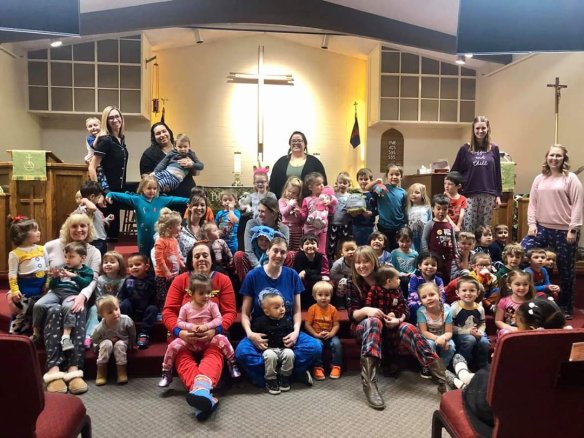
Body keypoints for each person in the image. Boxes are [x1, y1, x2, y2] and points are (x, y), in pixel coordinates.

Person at [346, 247, 447, 409]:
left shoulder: (387, 275)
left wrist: (398, 318)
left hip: (391, 324)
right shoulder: (352, 282)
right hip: (364, 327)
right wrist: (366, 310)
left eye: (366, 261)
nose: (361, 266)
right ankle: (369, 384)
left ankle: (441, 378)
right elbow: (352, 314)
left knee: (408, 328)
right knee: (374, 322)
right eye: (358, 262)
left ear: (373, 261)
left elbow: (405, 308)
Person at [460, 298, 567, 437]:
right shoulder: (568, 353)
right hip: (553, 418)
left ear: (532, 331)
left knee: (485, 374)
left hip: (514, 420)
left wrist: (499, 362)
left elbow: (495, 404)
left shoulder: (515, 358)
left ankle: (464, 381)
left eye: (518, 326)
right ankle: (465, 378)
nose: (515, 329)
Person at [162, 241, 237, 421]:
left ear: (212, 259)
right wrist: (179, 332)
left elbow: (230, 312)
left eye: (205, 255)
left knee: (214, 352)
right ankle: (205, 394)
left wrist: (215, 330)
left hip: (212, 334)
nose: (201, 259)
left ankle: (201, 393)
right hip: (184, 334)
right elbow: (168, 312)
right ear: (190, 260)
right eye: (197, 256)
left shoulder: (223, 280)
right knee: (181, 354)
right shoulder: (180, 280)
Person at [235, 237, 322, 387]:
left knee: (315, 347)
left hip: (286, 330)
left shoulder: (292, 275)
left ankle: (275, 373)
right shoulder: (253, 276)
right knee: (242, 353)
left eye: (283, 252)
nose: (279, 255)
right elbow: (244, 313)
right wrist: (250, 334)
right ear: (268, 251)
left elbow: (296, 311)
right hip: (261, 333)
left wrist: (296, 332)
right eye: (275, 250)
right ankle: (289, 372)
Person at [42, 213, 101, 395]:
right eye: (74, 226)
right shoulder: (50, 246)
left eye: (83, 226)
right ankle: (53, 369)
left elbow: (93, 279)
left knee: (76, 308)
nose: (79, 230)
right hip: (55, 293)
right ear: (68, 228)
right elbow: (41, 274)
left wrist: (82, 296)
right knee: (53, 310)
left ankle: (74, 368)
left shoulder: (94, 252)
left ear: (89, 228)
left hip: (79, 294)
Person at [521, 144, 583, 319]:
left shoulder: (570, 178)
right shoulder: (540, 178)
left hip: (565, 230)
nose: (554, 158)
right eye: (551, 155)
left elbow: (578, 204)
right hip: (542, 228)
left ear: (564, 159)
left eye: (558, 156)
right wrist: (532, 224)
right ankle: (526, 296)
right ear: (546, 157)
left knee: (566, 270)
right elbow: (532, 203)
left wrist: (573, 229)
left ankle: (565, 307)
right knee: (522, 251)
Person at [158, 273, 239, 388]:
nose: (206, 296)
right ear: (191, 294)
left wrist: (209, 327)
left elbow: (219, 319)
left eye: (208, 292)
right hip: (189, 339)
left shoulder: (212, 305)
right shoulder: (186, 308)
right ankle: (166, 371)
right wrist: (188, 328)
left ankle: (232, 362)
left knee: (223, 339)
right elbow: (179, 322)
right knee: (173, 346)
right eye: (201, 293)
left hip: (209, 338)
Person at [106, 175, 189, 257]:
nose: (152, 191)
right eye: (149, 188)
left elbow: (176, 199)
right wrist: (110, 194)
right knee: (143, 256)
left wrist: (190, 201)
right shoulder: (137, 199)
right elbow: (122, 196)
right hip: (143, 236)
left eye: (154, 188)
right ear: (142, 188)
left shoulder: (161, 200)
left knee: (157, 255)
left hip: (158, 236)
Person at [33, 242, 94, 353]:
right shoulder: (62, 268)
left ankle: (66, 337)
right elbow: (53, 286)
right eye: (65, 257)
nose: (67, 260)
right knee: (38, 304)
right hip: (56, 292)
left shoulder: (87, 271)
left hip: (71, 294)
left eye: (71, 257)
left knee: (69, 307)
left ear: (82, 258)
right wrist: (54, 278)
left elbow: (86, 283)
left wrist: (74, 276)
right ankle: (36, 332)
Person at [451, 115, 502, 232]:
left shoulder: (494, 148)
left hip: (489, 194)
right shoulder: (465, 149)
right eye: (477, 128)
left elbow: (497, 173)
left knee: (485, 230)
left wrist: (498, 195)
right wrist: (451, 190)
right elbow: (454, 172)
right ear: (473, 129)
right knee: (469, 228)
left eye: (483, 128)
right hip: (469, 194)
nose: (480, 131)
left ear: (488, 128)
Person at [88, 106, 129, 247]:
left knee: (113, 232)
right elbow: (92, 167)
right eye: (111, 117)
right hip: (107, 192)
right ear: (106, 120)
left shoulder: (120, 140)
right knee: (105, 234)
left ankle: (110, 259)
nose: (115, 120)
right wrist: (99, 193)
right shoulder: (106, 140)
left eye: (117, 116)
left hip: (117, 191)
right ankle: (102, 260)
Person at [7, 216, 49, 336]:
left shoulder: (42, 249)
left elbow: (48, 267)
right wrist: (14, 290)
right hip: (25, 287)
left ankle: (38, 333)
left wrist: (48, 282)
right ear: (23, 234)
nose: (39, 232)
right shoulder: (15, 254)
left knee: (39, 309)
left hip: (40, 286)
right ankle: (17, 334)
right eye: (35, 230)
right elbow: (12, 274)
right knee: (21, 312)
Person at [140, 122, 202, 202]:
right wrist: (157, 187)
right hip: (164, 200)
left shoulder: (183, 147)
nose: (162, 135)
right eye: (158, 133)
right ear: (154, 137)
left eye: (164, 131)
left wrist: (191, 164)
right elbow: (145, 177)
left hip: (187, 195)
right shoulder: (149, 154)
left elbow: (197, 172)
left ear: (169, 132)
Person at [233, 197, 291, 281]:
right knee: (239, 255)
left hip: (275, 262)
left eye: (263, 211)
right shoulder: (252, 223)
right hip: (254, 263)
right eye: (259, 211)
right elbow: (249, 251)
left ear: (273, 213)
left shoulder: (283, 229)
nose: (259, 214)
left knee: (290, 255)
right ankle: (247, 285)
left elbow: (284, 252)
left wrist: (270, 268)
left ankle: (281, 283)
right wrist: (260, 269)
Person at [250, 290, 295, 395]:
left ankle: (285, 377)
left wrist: (291, 341)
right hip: (268, 348)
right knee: (270, 356)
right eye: (277, 307)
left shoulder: (286, 320)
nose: (282, 309)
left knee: (290, 354)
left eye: (282, 305)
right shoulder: (260, 322)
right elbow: (255, 334)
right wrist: (258, 343)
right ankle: (271, 379)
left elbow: (291, 333)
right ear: (267, 312)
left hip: (284, 348)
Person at [269, 130, 328, 199]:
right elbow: (273, 184)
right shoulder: (280, 162)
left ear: (305, 144)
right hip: (284, 203)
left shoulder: (315, 162)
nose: (296, 143)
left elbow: (323, 184)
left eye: (299, 140)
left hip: (309, 203)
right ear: (290, 144)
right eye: (293, 141)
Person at [85, 251, 126, 349]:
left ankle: (117, 334)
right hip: (102, 304)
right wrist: (103, 306)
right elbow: (98, 296)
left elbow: (121, 296)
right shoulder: (100, 280)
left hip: (116, 305)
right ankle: (89, 335)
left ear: (119, 266)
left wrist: (113, 305)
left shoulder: (123, 280)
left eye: (112, 262)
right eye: (105, 262)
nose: (108, 264)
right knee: (93, 309)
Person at [92, 295, 135, 386]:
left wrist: (132, 344)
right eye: (110, 312)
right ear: (102, 315)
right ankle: (101, 373)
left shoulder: (126, 320)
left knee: (119, 345)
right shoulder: (100, 327)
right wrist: (106, 340)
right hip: (106, 343)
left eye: (116, 309)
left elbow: (132, 333)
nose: (115, 313)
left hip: (122, 341)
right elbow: (94, 339)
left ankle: (121, 372)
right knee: (107, 344)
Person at [117, 253, 157, 349]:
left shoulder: (152, 280)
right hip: (132, 310)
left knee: (153, 308)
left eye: (137, 264)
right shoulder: (128, 281)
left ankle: (144, 334)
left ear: (146, 267)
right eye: (131, 266)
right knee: (125, 303)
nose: (134, 267)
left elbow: (156, 297)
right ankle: (125, 331)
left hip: (146, 310)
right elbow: (121, 295)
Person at [304, 281, 342, 380]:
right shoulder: (312, 309)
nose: (323, 298)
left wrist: (332, 333)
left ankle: (336, 366)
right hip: (316, 335)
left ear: (331, 296)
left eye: (327, 295)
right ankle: (318, 367)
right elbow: (307, 325)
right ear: (314, 296)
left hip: (330, 335)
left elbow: (336, 325)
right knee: (316, 345)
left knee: (337, 344)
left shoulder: (333, 309)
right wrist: (315, 334)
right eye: (320, 295)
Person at [450, 276, 489, 370]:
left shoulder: (480, 308)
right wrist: (468, 332)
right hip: (460, 334)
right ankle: (461, 365)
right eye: (464, 290)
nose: (468, 293)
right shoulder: (454, 308)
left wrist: (480, 332)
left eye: (472, 290)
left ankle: (483, 366)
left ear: (477, 293)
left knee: (484, 342)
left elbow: (482, 323)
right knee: (470, 339)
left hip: (477, 332)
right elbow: (450, 327)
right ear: (457, 293)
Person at [416, 282, 456, 374]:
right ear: (421, 301)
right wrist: (437, 338)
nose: (428, 298)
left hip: (443, 335)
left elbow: (449, 332)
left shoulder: (447, 310)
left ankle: (442, 367)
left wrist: (443, 338)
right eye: (424, 297)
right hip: (427, 336)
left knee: (451, 346)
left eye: (432, 294)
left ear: (439, 295)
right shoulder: (421, 311)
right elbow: (423, 332)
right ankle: (428, 366)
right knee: (429, 345)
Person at [366, 164, 407, 251]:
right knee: (384, 249)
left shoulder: (403, 192)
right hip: (384, 226)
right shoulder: (382, 188)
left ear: (401, 176)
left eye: (397, 174)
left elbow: (404, 209)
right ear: (387, 176)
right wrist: (376, 182)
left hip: (399, 227)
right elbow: (367, 188)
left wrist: (405, 224)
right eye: (391, 174)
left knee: (396, 250)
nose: (394, 177)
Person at [153, 208, 185, 310]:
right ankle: (162, 311)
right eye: (178, 225)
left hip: (174, 273)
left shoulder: (174, 239)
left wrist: (181, 264)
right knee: (163, 295)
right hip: (162, 276)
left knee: (174, 292)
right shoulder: (160, 241)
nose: (181, 227)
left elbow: (177, 254)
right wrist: (166, 272)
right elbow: (159, 259)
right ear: (170, 228)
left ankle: (173, 309)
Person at [421, 194, 457, 284]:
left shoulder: (449, 225)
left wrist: (455, 252)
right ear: (433, 209)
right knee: (435, 276)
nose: (441, 212)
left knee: (447, 276)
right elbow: (424, 239)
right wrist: (426, 253)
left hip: (448, 257)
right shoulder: (430, 224)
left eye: (444, 209)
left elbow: (453, 239)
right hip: (434, 256)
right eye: (438, 209)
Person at [301, 172, 337, 253]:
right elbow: (304, 215)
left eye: (322, 183)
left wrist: (330, 203)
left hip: (322, 229)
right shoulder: (306, 199)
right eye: (318, 184)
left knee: (321, 251)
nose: (322, 186)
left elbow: (332, 212)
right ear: (310, 187)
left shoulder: (326, 198)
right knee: (309, 250)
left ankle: (323, 262)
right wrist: (298, 213)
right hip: (310, 230)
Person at [76, 180, 113, 256]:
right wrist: (85, 200)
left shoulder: (94, 208)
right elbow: (92, 208)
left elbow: (98, 221)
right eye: (99, 197)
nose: (99, 199)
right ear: (92, 197)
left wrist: (107, 219)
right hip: (95, 241)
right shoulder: (85, 207)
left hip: (101, 239)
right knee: (96, 260)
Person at [407, 252, 445, 325]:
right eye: (426, 264)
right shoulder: (414, 278)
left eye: (433, 265)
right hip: (418, 303)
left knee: (446, 307)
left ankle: (439, 325)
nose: (430, 267)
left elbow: (442, 294)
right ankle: (419, 325)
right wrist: (425, 303)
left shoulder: (438, 280)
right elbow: (412, 295)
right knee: (413, 306)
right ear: (419, 266)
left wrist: (436, 303)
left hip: (434, 303)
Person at [495, 270, 535, 338]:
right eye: (517, 284)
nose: (522, 288)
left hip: (526, 329)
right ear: (509, 285)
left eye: (525, 284)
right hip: (509, 329)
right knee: (506, 333)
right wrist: (511, 328)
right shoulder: (504, 301)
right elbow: (498, 321)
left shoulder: (532, 302)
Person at [293, 233, 330, 308]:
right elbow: (300, 274)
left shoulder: (319, 256)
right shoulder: (299, 256)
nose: (310, 246)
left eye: (313, 243)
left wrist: (306, 271)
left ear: (318, 247)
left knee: (320, 284)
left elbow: (317, 271)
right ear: (301, 247)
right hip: (299, 279)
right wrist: (319, 277)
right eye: (307, 244)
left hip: (312, 277)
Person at [327, 171, 353, 262]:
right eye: (340, 182)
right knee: (332, 244)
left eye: (345, 183)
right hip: (333, 224)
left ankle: (345, 261)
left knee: (344, 244)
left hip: (345, 224)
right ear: (337, 183)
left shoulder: (350, 196)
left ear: (349, 184)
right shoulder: (333, 195)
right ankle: (330, 261)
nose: (342, 185)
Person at [177, 193, 208, 259]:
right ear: (189, 207)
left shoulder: (206, 228)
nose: (199, 208)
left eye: (202, 205)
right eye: (196, 205)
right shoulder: (179, 226)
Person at [351, 168, 377, 246]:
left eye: (366, 179)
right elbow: (350, 207)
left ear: (371, 180)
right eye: (361, 179)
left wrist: (372, 213)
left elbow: (379, 209)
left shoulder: (374, 194)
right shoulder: (354, 193)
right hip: (356, 225)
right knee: (357, 246)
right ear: (357, 180)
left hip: (370, 226)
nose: (363, 181)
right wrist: (352, 213)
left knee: (369, 246)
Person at [390, 227, 419, 296]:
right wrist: (400, 274)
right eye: (402, 241)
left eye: (407, 241)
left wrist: (412, 273)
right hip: (398, 277)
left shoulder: (415, 254)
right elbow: (393, 267)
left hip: (411, 276)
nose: (404, 244)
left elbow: (416, 267)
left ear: (411, 241)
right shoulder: (394, 253)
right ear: (397, 241)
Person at [83, 117, 109, 192]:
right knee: (99, 172)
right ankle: (102, 187)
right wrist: (98, 137)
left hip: (101, 159)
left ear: (100, 125)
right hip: (92, 158)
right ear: (87, 129)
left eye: (95, 125)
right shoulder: (89, 138)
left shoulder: (104, 135)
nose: (93, 128)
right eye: (90, 126)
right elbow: (95, 146)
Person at [330, 238, 357, 309]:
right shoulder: (338, 263)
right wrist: (345, 276)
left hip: (356, 279)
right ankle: (339, 301)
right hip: (342, 281)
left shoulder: (359, 261)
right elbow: (332, 275)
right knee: (343, 281)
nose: (350, 252)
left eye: (353, 249)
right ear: (341, 252)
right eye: (347, 250)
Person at [278, 176, 303, 251]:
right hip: (285, 229)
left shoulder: (299, 202)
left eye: (294, 193)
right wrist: (290, 205)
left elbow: (301, 218)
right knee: (285, 248)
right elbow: (284, 213)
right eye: (289, 191)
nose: (290, 194)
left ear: (298, 194)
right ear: (285, 189)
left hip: (297, 230)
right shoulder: (282, 200)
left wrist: (298, 212)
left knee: (297, 250)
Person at [406, 183, 432, 252]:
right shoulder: (409, 208)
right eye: (411, 193)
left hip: (424, 235)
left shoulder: (427, 207)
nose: (413, 194)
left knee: (423, 251)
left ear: (423, 194)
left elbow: (430, 221)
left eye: (417, 193)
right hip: (412, 235)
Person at [214, 189, 240, 254]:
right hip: (221, 241)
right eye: (225, 200)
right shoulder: (219, 213)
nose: (228, 202)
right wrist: (217, 232)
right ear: (222, 202)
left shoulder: (236, 212)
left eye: (230, 200)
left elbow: (234, 220)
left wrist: (231, 210)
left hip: (232, 242)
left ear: (235, 202)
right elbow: (215, 225)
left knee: (232, 256)